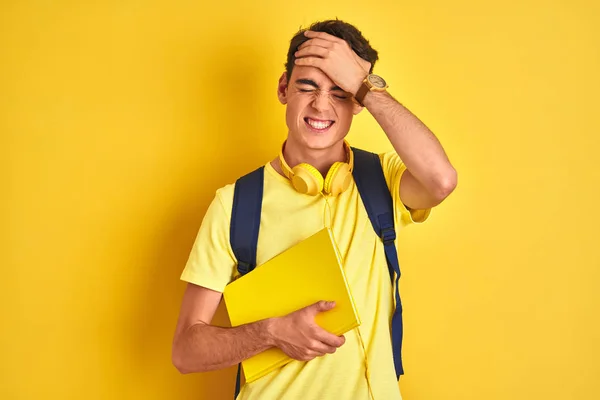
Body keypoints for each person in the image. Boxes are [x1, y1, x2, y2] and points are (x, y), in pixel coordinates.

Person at [172, 19, 457, 400]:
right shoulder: (235, 204)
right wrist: (270, 332)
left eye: (340, 92)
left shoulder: (384, 181)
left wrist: (365, 85)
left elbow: (442, 181)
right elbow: (186, 351)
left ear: (357, 103)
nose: (321, 105)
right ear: (283, 88)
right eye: (308, 86)